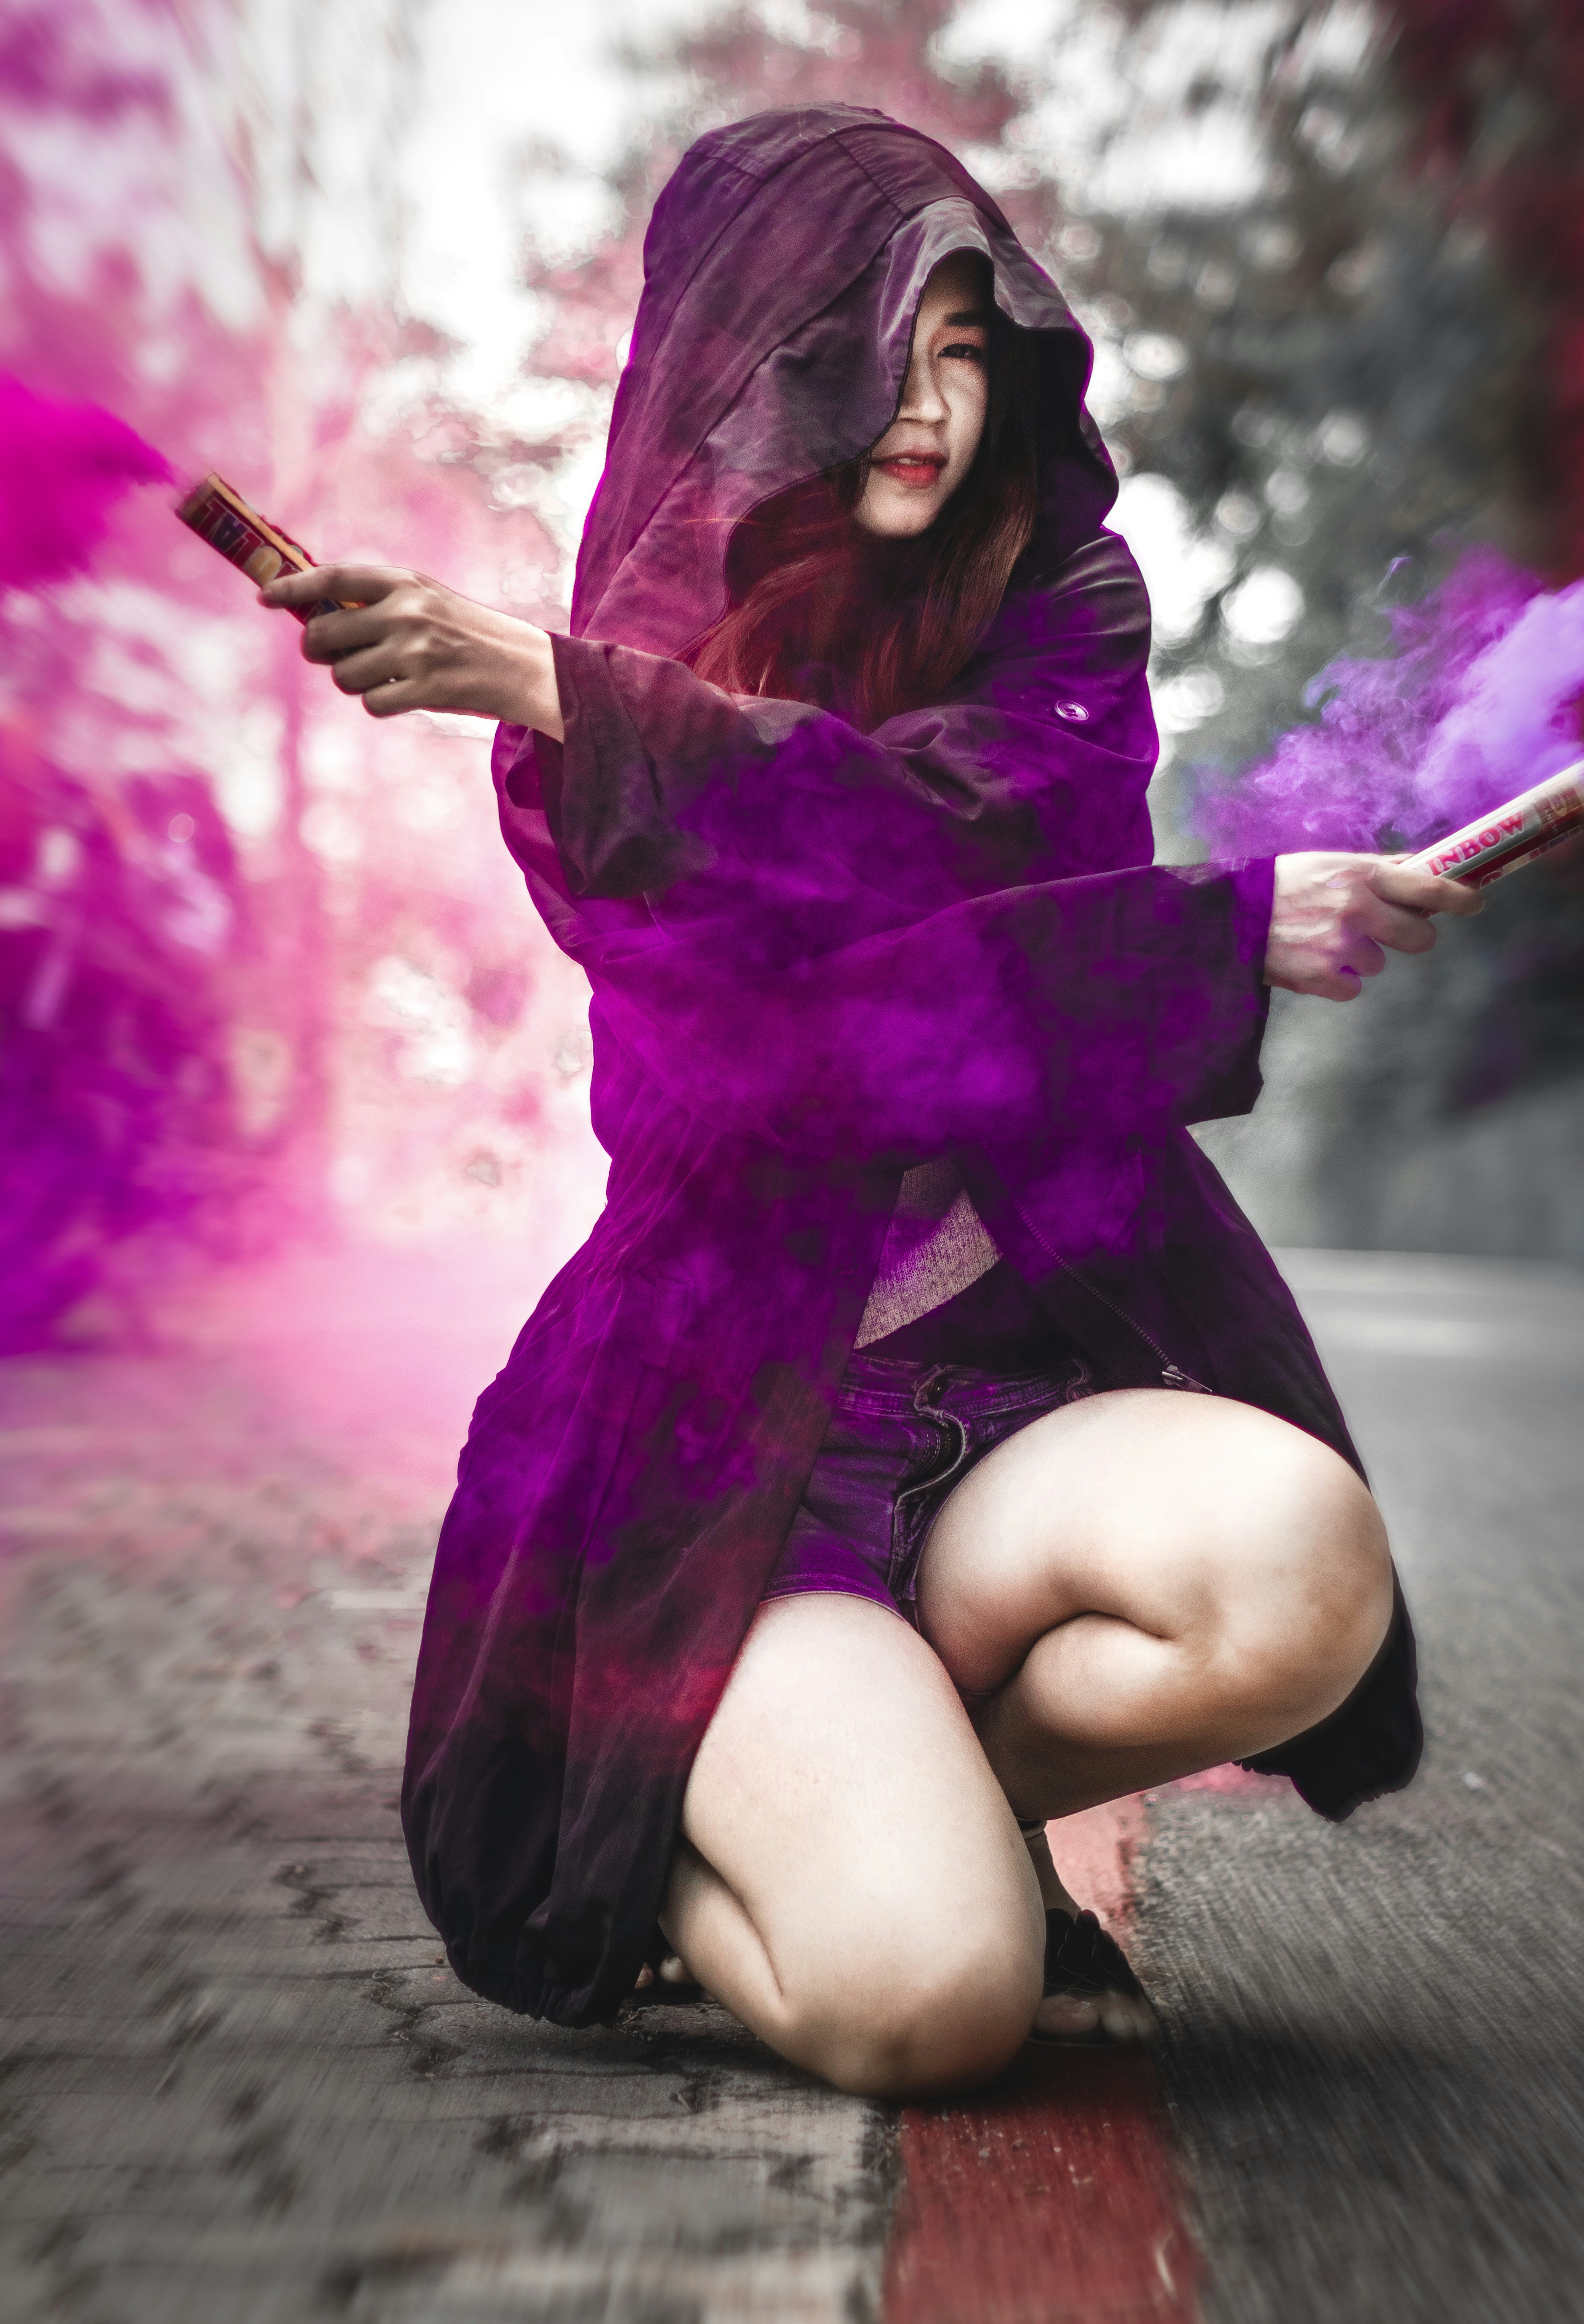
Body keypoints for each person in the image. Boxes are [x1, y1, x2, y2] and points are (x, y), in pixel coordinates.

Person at [263, 105, 1479, 2097]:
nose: (925, 402)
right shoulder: (590, 703)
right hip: (729, 1472)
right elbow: (798, 1050)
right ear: (756, 357)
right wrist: (1202, 937)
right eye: (875, 343)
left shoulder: (1058, 609)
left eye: (967, 343)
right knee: (931, 2007)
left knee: (1297, 1569)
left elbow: (971, 868)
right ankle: (665, 1836)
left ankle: (916, 1786)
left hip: (1018, 1419)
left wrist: (1182, 929)